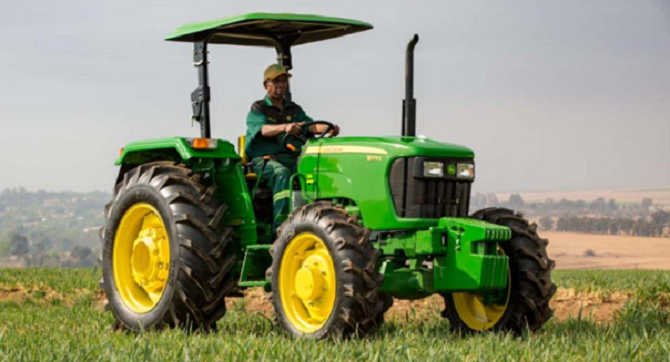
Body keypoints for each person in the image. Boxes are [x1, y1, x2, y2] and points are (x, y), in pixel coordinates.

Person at [245, 64, 339, 229]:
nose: (280, 85)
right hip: (265, 160)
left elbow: (310, 126)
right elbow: (264, 130)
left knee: (312, 175)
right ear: (266, 85)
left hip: (291, 157)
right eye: (275, 82)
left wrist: (327, 128)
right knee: (282, 173)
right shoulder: (258, 109)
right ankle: (281, 226)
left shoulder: (294, 109)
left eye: (283, 81)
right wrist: (285, 127)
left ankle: (314, 218)